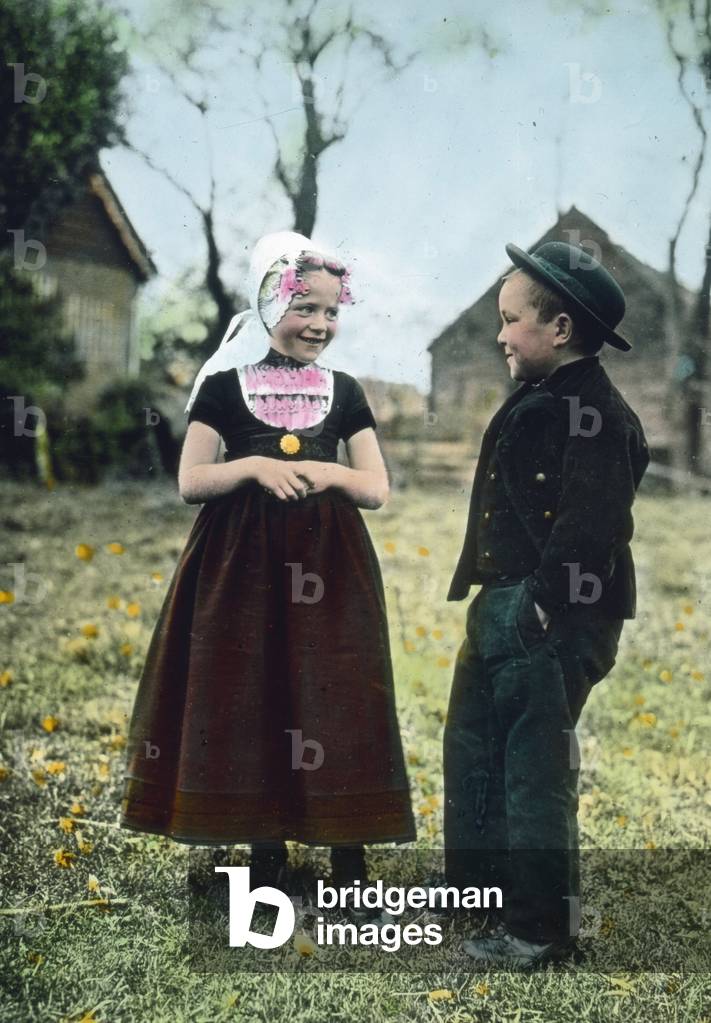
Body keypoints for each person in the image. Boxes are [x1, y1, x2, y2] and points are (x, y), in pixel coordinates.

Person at [120, 231, 415, 893]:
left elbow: (376, 486)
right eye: (302, 306)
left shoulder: (345, 393)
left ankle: (348, 856)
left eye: (330, 311)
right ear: (267, 302)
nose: (318, 323)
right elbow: (191, 479)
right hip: (240, 567)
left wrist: (323, 470)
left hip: (330, 565)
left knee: (334, 693)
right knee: (255, 691)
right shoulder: (224, 388)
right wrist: (252, 465)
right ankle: (265, 852)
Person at [443, 240, 649, 968]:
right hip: (501, 605)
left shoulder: (598, 413)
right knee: (474, 748)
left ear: (559, 329)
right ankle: (480, 894)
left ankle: (537, 930)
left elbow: (592, 527)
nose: (498, 333)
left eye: (510, 319)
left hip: (551, 619)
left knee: (533, 769)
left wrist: (539, 606)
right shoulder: (538, 396)